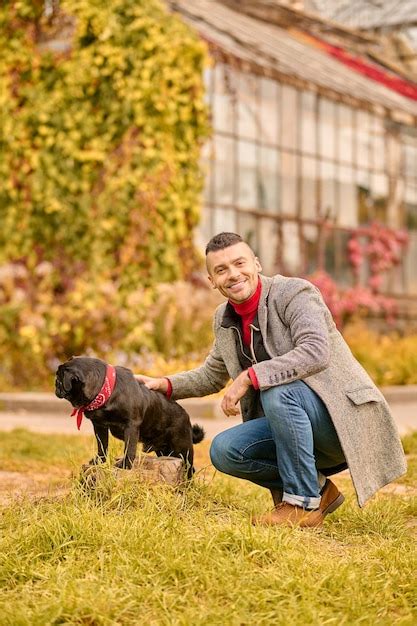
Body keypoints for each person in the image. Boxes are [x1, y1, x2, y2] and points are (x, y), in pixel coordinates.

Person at [136, 232, 406, 528]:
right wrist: (164, 384)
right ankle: (319, 489)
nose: (233, 274)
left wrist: (250, 377)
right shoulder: (224, 319)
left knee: (279, 390)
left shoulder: (294, 293)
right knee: (225, 450)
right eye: (221, 270)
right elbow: (212, 375)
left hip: (341, 422)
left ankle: (301, 503)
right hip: (294, 427)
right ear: (212, 280)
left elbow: (315, 351)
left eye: (239, 263)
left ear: (257, 264)